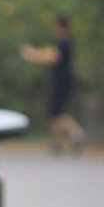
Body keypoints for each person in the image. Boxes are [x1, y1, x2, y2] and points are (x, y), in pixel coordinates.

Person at [20, 15, 85, 154]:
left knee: (57, 114)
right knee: (55, 113)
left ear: (62, 27)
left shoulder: (65, 43)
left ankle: (76, 131)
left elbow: (51, 57)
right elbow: (49, 52)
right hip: (59, 82)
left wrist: (32, 54)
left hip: (63, 83)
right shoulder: (61, 42)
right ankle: (57, 144)